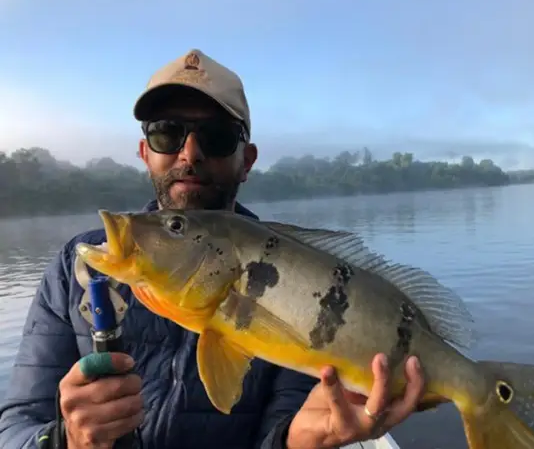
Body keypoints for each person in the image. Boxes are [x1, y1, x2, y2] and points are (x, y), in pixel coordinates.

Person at [0, 49, 430, 449]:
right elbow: (15, 428)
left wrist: (295, 440)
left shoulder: (291, 275)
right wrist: (66, 439)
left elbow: (285, 425)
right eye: (167, 133)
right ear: (145, 152)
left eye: (218, 137)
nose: (190, 153)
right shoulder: (75, 271)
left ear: (248, 160)